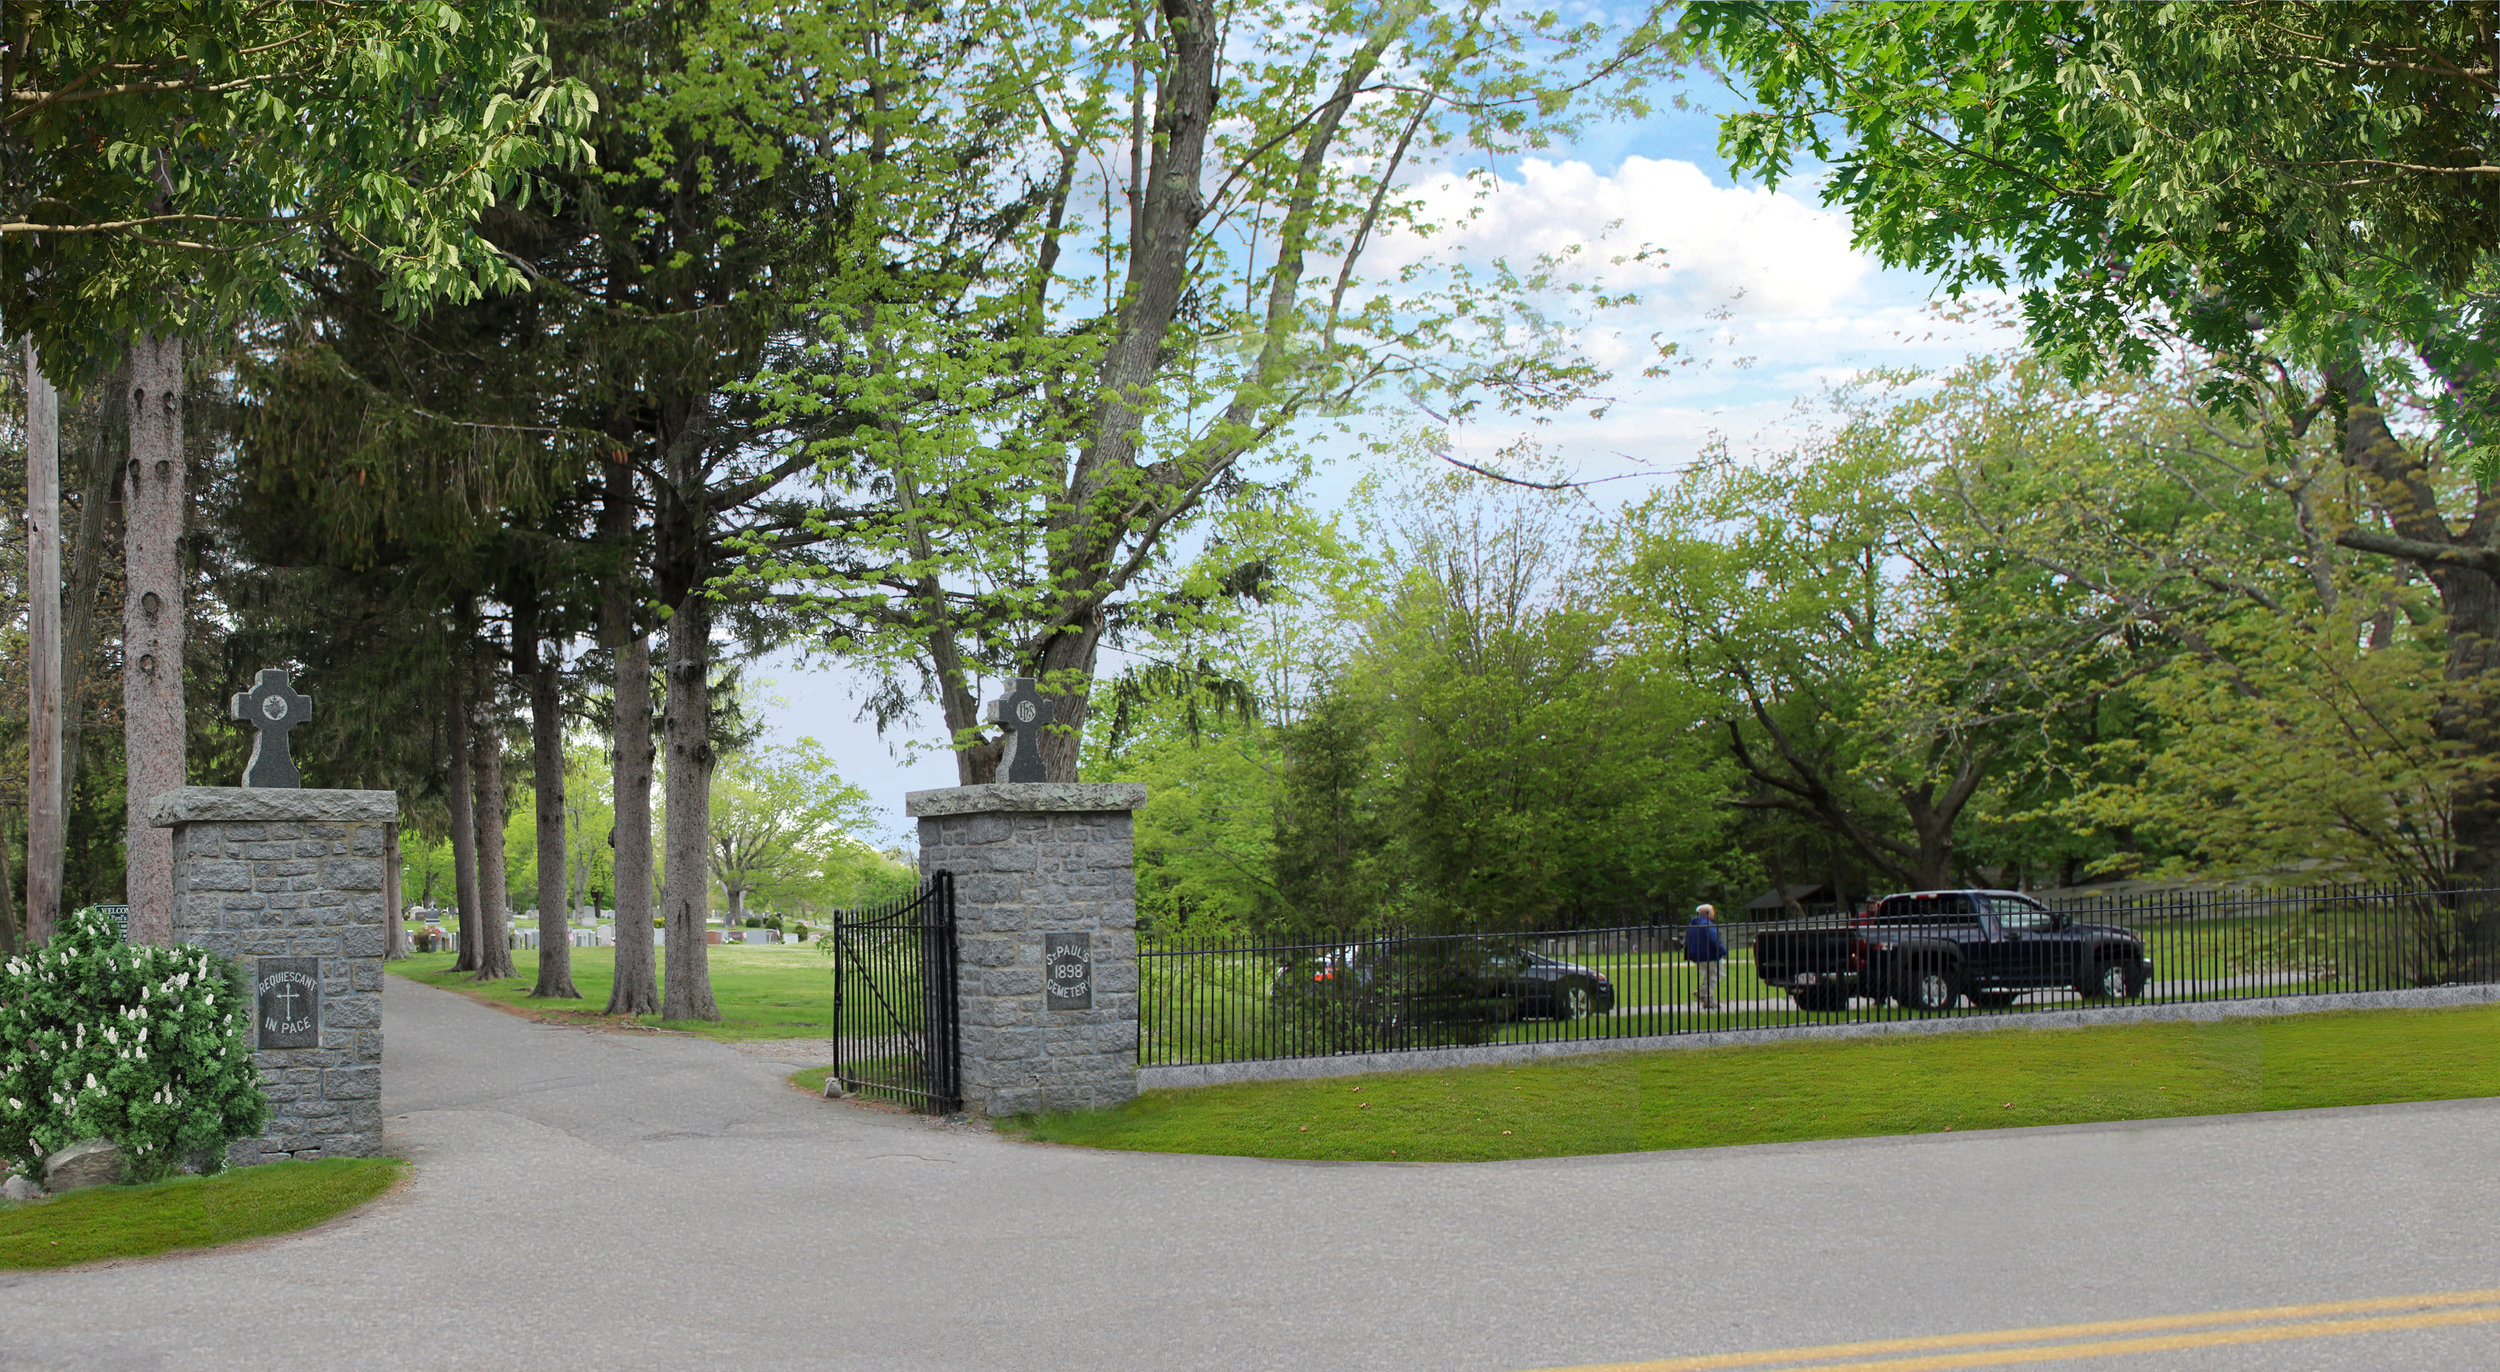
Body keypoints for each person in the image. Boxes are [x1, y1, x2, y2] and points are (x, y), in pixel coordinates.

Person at [1686, 904, 1728, 1010]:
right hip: (1710, 955)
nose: (1714, 913)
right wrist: (1722, 951)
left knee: (1708, 978)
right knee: (1718, 974)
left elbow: (1687, 940)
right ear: (1708, 913)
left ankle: (1710, 1003)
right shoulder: (1707, 924)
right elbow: (1714, 939)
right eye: (1713, 911)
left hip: (1697, 956)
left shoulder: (1693, 925)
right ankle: (1703, 993)